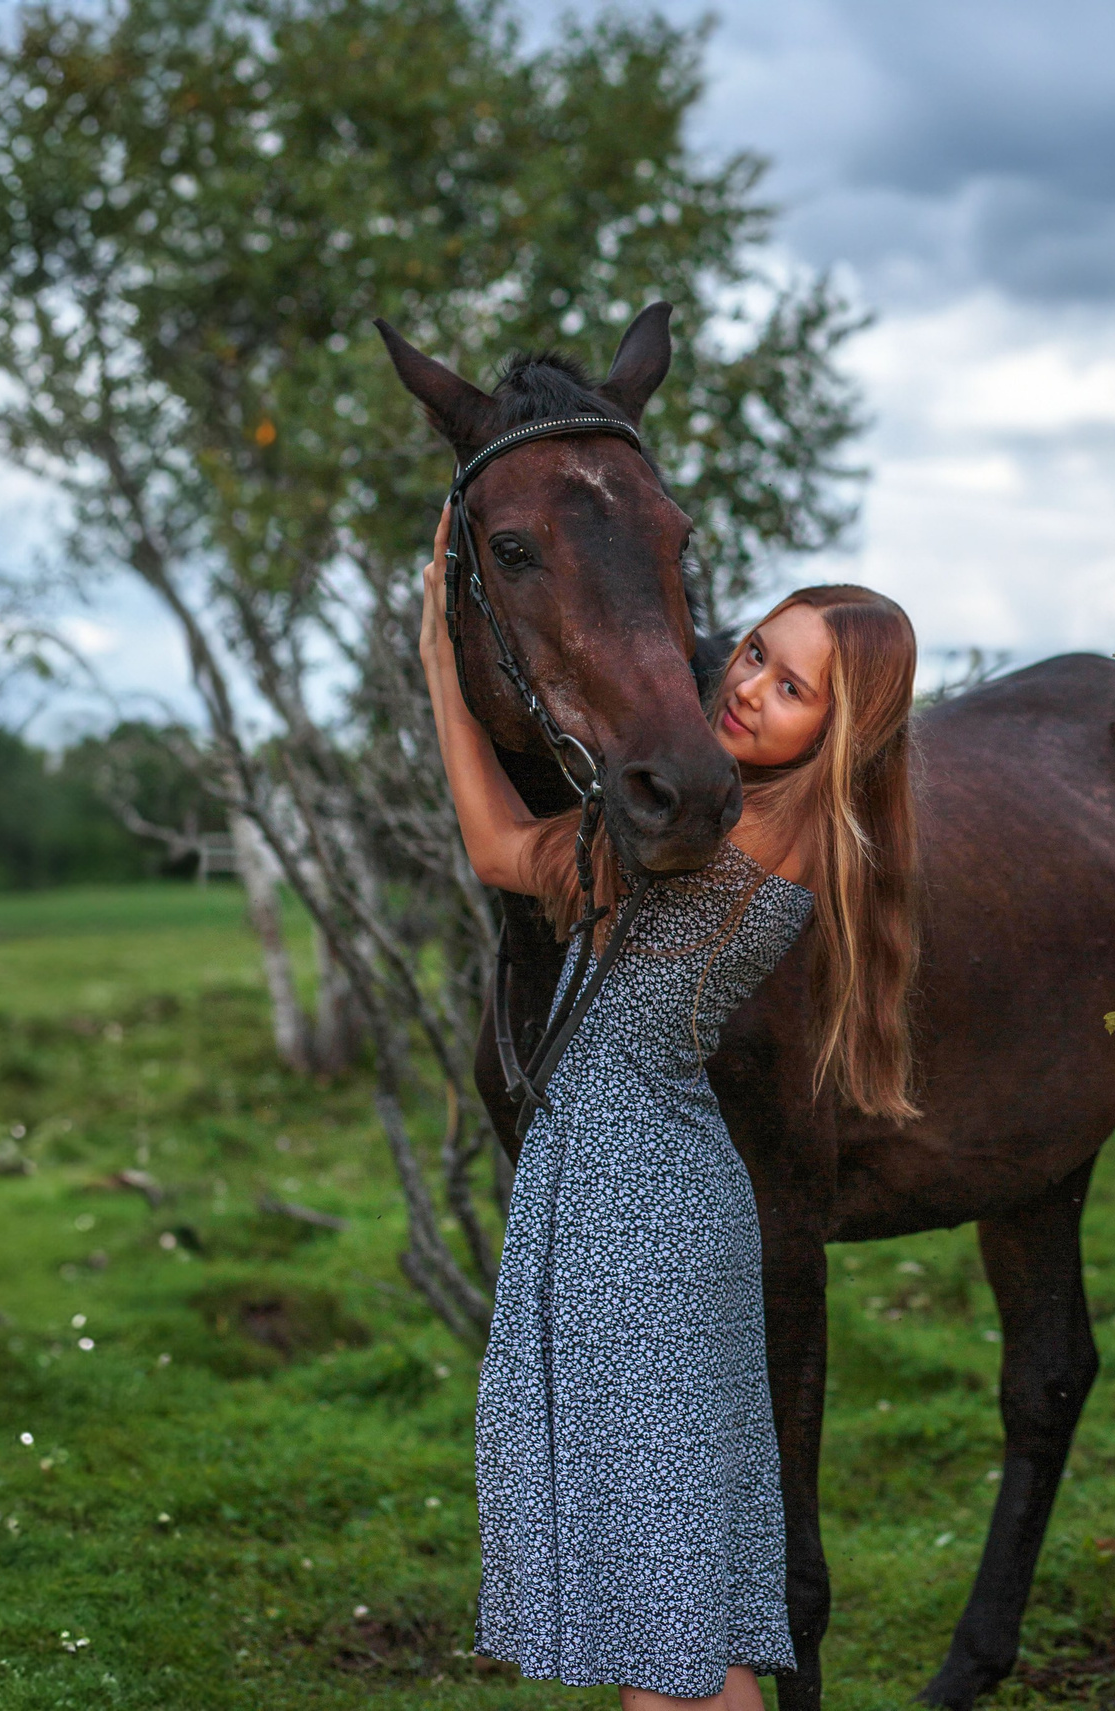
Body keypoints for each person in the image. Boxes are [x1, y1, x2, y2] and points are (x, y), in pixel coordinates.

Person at [417, 508, 919, 1711]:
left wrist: (442, 658)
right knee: (685, 1628)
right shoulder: (765, 820)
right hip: (644, 1210)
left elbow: (498, 848)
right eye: (753, 652)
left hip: (640, 1233)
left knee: (665, 1645)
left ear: (838, 730)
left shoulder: (727, 839)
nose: (745, 689)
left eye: (791, 689)